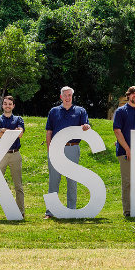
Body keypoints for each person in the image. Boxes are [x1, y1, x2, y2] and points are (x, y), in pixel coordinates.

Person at [44, 86, 91, 219]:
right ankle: (50, 211)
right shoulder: (54, 111)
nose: (67, 97)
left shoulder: (80, 111)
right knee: (54, 181)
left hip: (72, 148)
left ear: (72, 96)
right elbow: (49, 131)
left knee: (72, 181)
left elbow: (85, 126)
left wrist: (87, 126)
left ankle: (71, 210)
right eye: (65, 95)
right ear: (61, 97)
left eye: (69, 95)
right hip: (56, 149)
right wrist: (49, 150)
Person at [0, 96, 25, 220]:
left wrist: (4, 130)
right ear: (2, 105)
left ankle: (21, 212)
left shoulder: (19, 119)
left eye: (10, 104)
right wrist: (12, 132)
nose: (7, 106)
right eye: (5, 103)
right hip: (1, 154)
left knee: (18, 185)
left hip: (15, 154)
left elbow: (20, 134)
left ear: (13, 106)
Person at [112, 86, 135, 217]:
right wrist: (127, 148)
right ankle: (128, 211)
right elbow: (117, 131)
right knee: (128, 183)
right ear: (128, 96)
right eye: (132, 94)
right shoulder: (120, 111)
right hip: (124, 152)